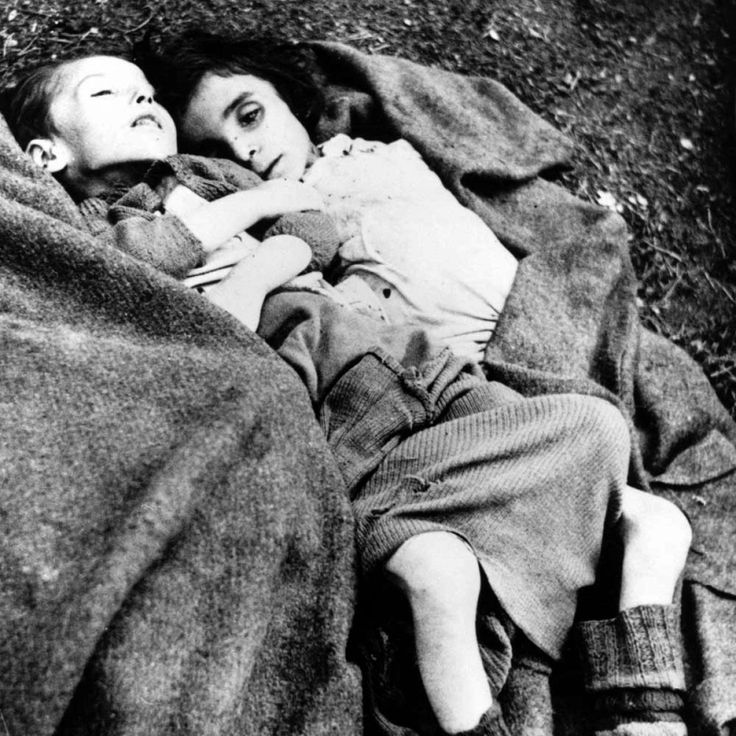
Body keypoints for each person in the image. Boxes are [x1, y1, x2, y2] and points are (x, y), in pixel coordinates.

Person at [3, 50, 692, 736]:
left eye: (148, 93)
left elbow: (312, 221)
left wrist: (256, 262)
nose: (142, 102)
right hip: (335, 400)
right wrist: (256, 220)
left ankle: (638, 710)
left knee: (606, 441)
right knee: (440, 568)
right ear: (44, 156)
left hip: (409, 364)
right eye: (106, 94)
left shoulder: (212, 175)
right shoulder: (91, 226)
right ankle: (496, 681)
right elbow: (143, 260)